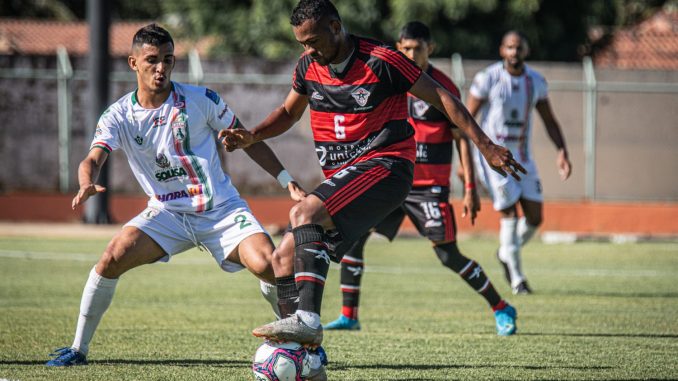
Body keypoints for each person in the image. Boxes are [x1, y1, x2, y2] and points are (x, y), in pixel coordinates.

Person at [220, 0, 524, 349]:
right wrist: (253, 135)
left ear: (336, 27)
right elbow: (288, 113)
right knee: (281, 260)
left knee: (304, 212)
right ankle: (304, 355)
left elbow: (443, 97)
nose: (307, 50)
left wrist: (486, 146)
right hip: (346, 177)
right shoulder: (308, 66)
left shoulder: (382, 59)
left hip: (388, 166)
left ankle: (307, 322)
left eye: (313, 41)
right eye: (302, 43)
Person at [45, 24, 309, 367]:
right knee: (111, 257)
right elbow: (93, 158)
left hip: (220, 210)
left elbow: (248, 141)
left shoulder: (201, 100)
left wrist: (286, 179)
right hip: (167, 214)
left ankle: (298, 342)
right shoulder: (119, 116)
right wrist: (85, 182)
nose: (161, 68)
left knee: (268, 266)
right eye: (152, 60)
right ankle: (77, 349)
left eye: (168, 60)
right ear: (133, 63)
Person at [322, 21, 517, 336]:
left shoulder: (441, 87)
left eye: (418, 48)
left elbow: (461, 138)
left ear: (431, 48)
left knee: (447, 254)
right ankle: (348, 316)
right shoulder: (390, 80)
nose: (412, 54)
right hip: (391, 178)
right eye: (406, 48)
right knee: (355, 239)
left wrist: (469, 187)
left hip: (428, 187)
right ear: (399, 48)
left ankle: (501, 307)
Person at [466, 31, 572, 294]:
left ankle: (505, 252)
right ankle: (517, 280)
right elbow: (465, 120)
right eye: (509, 47)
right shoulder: (487, 78)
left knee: (535, 218)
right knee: (510, 215)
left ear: (526, 51)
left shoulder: (535, 81)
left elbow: (549, 119)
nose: (514, 52)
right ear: (502, 50)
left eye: (519, 48)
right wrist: (464, 160)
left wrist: (562, 150)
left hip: (523, 158)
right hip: (494, 159)